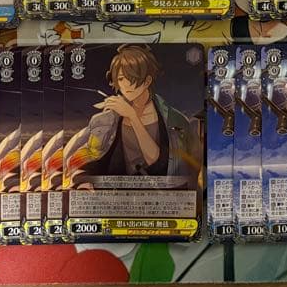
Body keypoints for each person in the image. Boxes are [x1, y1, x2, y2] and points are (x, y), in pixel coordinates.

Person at [64, 45, 201, 188]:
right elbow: (92, 156)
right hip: (118, 195)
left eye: (132, 78)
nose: (126, 85)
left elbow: (159, 163)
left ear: (147, 81)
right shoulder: (106, 119)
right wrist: (83, 178)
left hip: (161, 195)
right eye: (121, 78)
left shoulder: (175, 120)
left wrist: (132, 116)